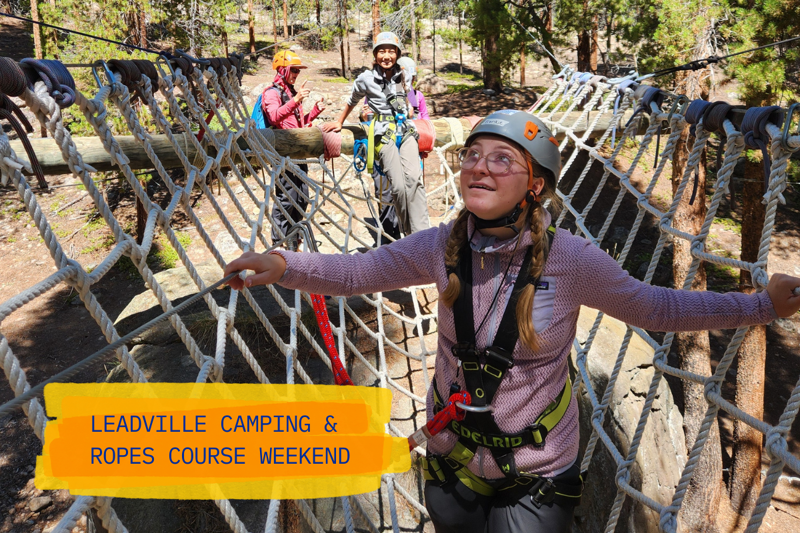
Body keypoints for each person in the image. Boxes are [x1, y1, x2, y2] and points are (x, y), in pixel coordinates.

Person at [224, 110, 800, 533]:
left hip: (538, 471)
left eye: (502, 159)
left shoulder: (572, 261)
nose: (479, 166)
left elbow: (657, 308)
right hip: (451, 456)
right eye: (473, 155)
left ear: (536, 186)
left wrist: (763, 305)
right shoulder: (440, 246)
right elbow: (359, 272)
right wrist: (282, 265)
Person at [322, 31, 430, 235]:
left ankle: (422, 235)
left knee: (415, 181)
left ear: (397, 54)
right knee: (398, 187)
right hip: (382, 133)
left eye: (391, 51)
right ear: (375, 54)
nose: (386, 56)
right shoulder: (366, 79)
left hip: (405, 131)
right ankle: (410, 234)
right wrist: (339, 122)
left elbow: (409, 102)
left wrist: (409, 111)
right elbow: (352, 100)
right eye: (382, 51)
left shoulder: (404, 75)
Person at [263, 50, 325, 248]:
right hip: (282, 154)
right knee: (287, 198)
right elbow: (274, 117)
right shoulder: (272, 93)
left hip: (299, 152)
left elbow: (297, 124)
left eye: (298, 70)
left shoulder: (290, 93)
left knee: (302, 196)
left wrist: (314, 111)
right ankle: (279, 240)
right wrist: (296, 100)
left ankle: (293, 237)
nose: (297, 74)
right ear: (282, 69)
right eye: (294, 70)